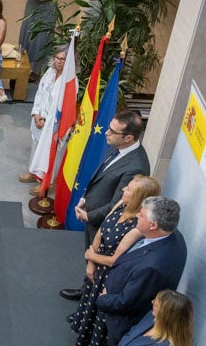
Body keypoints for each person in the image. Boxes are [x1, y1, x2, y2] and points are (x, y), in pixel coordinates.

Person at [79, 197, 189, 346]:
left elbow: (126, 302)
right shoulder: (168, 238)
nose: (136, 216)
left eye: (141, 215)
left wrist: (102, 299)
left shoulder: (155, 264)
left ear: (154, 225)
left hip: (125, 318)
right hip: (125, 309)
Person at [69, 176, 162, 346]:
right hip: (96, 265)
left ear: (138, 197)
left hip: (109, 275)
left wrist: (91, 257)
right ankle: (81, 339)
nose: (123, 191)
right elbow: (101, 230)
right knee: (88, 304)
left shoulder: (137, 229)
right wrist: (91, 262)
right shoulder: (121, 203)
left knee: (100, 315)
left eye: (128, 189)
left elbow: (114, 260)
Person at [63, 109, 152, 255]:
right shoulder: (119, 147)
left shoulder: (136, 167)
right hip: (91, 214)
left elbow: (117, 206)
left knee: (94, 263)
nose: (106, 132)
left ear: (128, 138)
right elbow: (101, 175)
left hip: (102, 227)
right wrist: (85, 198)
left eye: (112, 131)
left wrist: (89, 216)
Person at [23, 45, 68, 185]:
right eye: (57, 58)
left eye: (63, 59)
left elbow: (64, 107)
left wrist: (47, 120)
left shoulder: (70, 81)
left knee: (49, 151)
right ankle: (33, 171)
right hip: (40, 117)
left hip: (53, 123)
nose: (59, 61)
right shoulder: (50, 72)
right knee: (36, 145)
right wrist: (36, 113)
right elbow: (40, 94)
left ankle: (46, 182)